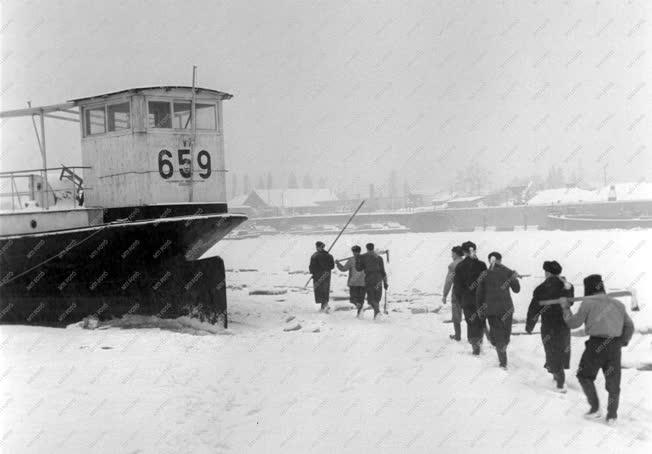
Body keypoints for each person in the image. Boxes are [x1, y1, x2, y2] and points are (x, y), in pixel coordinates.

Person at [561, 274, 635, 424]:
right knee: (613, 383)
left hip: (596, 346)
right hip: (614, 347)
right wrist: (622, 342)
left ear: (588, 288)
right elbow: (629, 326)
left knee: (584, 376)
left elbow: (573, 323)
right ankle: (612, 416)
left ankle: (595, 409)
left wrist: (565, 308)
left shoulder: (588, 303)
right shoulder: (617, 304)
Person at [525, 260, 574, 392]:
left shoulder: (541, 289)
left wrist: (529, 326)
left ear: (547, 272)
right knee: (562, 350)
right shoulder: (568, 286)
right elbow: (571, 303)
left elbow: (534, 309)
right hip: (564, 324)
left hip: (549, 325)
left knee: (552, 351)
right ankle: (557, 376)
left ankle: (560, 384)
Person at [475, 251, 520, 368]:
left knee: (498, 334)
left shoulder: (484, 273)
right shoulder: (507, 272)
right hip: (507, 309)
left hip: (491, 310)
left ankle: (502, 358)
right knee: (505, 334)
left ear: (490, 260)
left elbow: (479, 294)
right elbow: (517, 289)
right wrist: (514, 277)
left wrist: (480, 309)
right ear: (500, 260)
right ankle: (502, 357)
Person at [453, 241, 488, 355]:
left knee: (471, 322)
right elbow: (486, 283)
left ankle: (475, 345)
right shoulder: (482, 265)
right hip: (481, 299)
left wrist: (460, 301)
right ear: (475, 250)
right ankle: (479, 341)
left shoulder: (460, 266)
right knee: (480, 320)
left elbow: (457, 287)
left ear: (463, 252)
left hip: (467, 300)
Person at [355, 243, 388, 319]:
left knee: (371, 298)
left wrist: (357, 259)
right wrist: (385, 282)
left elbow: (359, 269)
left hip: (370, 279)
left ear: (367, 248)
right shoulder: (379, 258)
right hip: (379, 279)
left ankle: (377, 312)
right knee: (377, 297)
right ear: (373, 248)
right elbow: (383, 271)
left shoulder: (363, 257)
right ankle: (376, 314)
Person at [335, 245, 366, 317]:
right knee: (361, 299)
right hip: (363, 283)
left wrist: (338, 264)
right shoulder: (365, 259)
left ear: (353, 252)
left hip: (353, 283)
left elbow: (343, 269)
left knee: (353, 299)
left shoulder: (351, 260)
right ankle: (359, 312)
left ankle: (359, 309)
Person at [442, 245, 464, 341]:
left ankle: (458, 336)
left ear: (455, 254)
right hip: (470, 292)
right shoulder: (469, 263)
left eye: (452, 253)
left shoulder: (453, 265)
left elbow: (449, 281)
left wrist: (444, 295)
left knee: (456, 314)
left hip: (457, 292)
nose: (451, 256)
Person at [309, 241, 335, 312]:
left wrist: (313, 272)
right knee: (325, 289)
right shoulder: (329, 255)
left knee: (319, 290)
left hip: (318, 276)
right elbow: (332, 266)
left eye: (317, 247)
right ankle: (325, 305)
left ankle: (324, 306)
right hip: (326, 275)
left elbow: (311, 267)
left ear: (318, 247)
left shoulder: (315, 255)